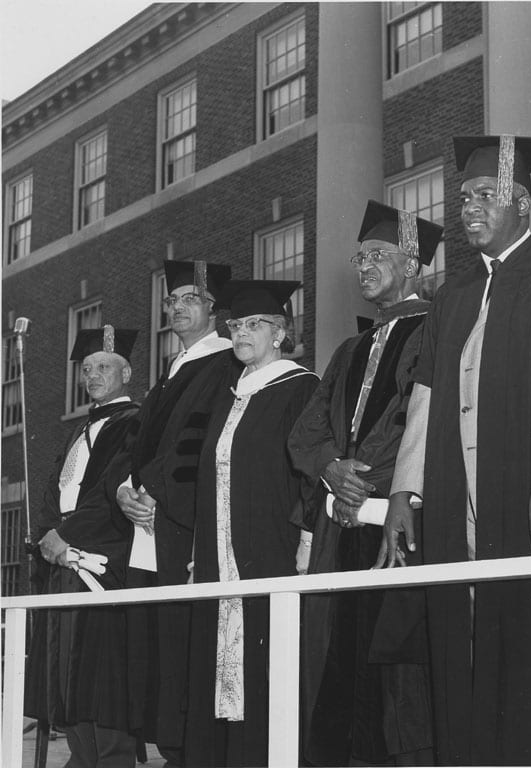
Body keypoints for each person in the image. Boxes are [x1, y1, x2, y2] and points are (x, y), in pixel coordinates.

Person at [379, 134, 531, 765]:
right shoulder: (454, 294)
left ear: (522, 202)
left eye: (485, 195)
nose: (469, 208)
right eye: (464, 198)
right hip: (458, 494)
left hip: (526, 488)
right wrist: (406, 491)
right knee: (463, 631)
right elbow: (425, 399)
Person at [287, 200, 442, 766]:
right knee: (338, 655)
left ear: (415, 265)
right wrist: (331, 467)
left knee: (395, 669)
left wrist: (362, 476)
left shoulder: (436, 330)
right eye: (359, 257)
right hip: (343, 524)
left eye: (378, 254)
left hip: (397, 520)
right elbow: (305, 433)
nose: (364, 266)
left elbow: (418, 419)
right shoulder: (350, 349)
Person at [182, 279, 318, 767]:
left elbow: (310, 473)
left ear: (281, 333)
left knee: (266, 660)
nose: (241, 333)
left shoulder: (301, 388)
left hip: (270, 547)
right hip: (220, 555)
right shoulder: (226, 396)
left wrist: (306, 542)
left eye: (254, 324)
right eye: (235, 325)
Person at [112, 259, 239, 764]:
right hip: (153, 520)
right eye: (171, 300)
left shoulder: (225, 361)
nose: (178, 307)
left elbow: (201, 447)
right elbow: (141, 445)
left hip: (186, 524)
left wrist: (154, 491)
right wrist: (126, 487)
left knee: (188, 638)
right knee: (161, 637)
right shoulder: (173, 368)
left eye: (189, 298)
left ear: (213, 307)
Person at [25, 326, 141, 768]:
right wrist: (49, 536)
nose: (93, 375)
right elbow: (56, 493)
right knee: (64, 677)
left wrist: (66, 538)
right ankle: (82, 757)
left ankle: (108, 759)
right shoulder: (79, 431)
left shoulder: (134, 422)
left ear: (126, 372)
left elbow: (112, 491)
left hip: (101, 561)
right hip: (61, 563)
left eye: (104, 367)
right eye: (88, 368)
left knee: (99, 676)